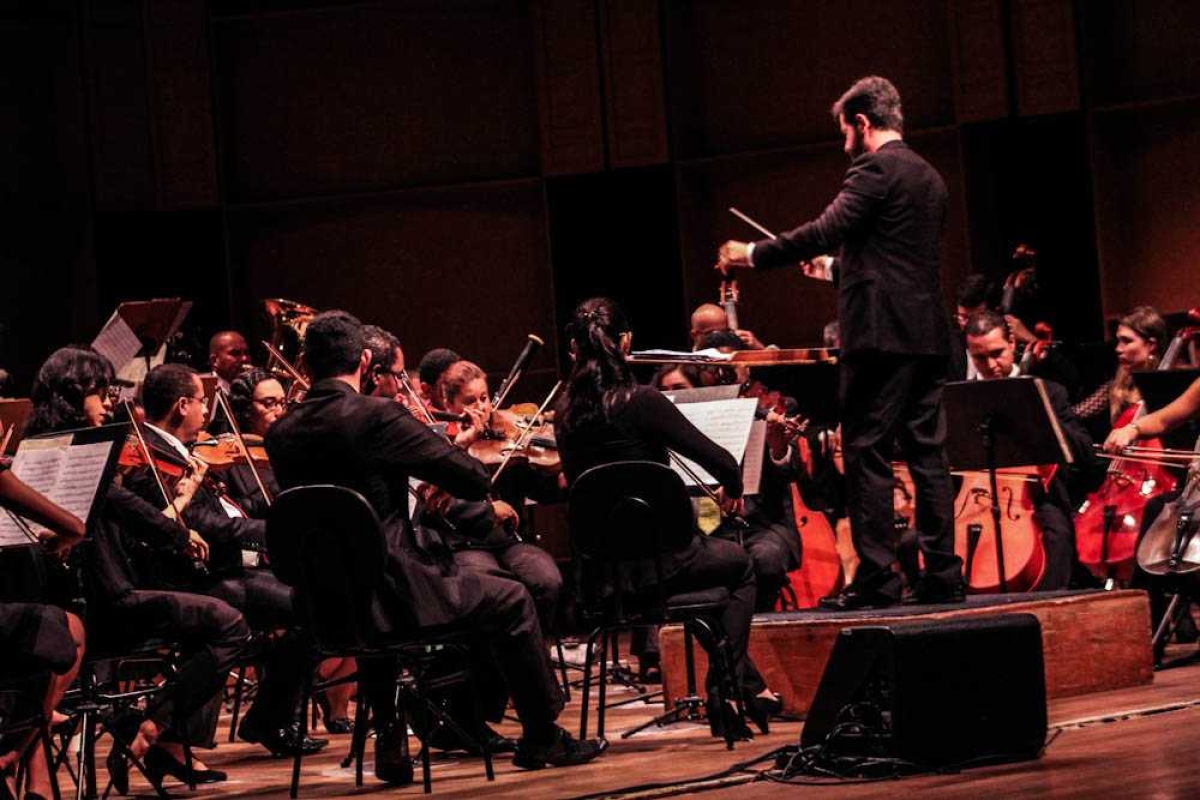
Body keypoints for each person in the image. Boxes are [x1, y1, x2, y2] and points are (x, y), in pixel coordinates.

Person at [266, 310, 604, 784]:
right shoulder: (378, 415)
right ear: (365, 360)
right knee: (511, 598)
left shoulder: (281, 433)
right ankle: (542, 736)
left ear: (307, 362)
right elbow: (469, 476)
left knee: (367, 577)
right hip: (393, 595)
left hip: (322, 604)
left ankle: (390, 737)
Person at [715, 75, 963, 608]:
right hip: (928, 334)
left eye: (844, 129)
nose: (843, 141)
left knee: (866, 450)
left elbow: (826, 227)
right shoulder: (930, 176)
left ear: (862, 122)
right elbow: (894, 261)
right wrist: (832, 270)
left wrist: (751, 254)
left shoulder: (873, 167)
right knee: (927, 454)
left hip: (881, 337)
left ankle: (877, 580)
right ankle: (942, 575)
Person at [24, 346, 252, 790]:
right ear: (75, 393)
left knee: (206, 618)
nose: (110, 401)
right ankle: (150, 728)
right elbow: (126, 507)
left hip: (74, 604)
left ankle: (144, 728)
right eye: (100, 391)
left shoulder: (36, 446)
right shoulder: (83, 449)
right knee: (230, 623)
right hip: (107, 604)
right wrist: (182, 534)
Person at [554, 297, 782, 736]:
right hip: (663, 568)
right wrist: (731, 491)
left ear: (573, 352)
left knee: (713, 590)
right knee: (739, 569)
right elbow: (725, 465)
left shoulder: (564, 413)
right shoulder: (642, 402)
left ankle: (744, 687)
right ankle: (725, 690)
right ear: (626, 343)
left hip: (601, 581)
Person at [126, 363, 325, 759]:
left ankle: (268, 712)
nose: (207, 411)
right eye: (202, 402)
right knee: (314, 608)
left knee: (313, 600)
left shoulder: (178, 450)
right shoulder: (147, 455)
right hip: (189, 577)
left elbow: (220, 513)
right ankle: (268, 715)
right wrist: (271, 532)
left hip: (220, 568)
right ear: (183, 405)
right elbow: (200, 522)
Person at [964, 310, 1097, 590]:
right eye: (979, 358)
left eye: (997, 353)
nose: (990, 365)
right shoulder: (961, 399)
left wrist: (1045, 421)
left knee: (1058, 537)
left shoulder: (1049, 392)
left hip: (1034, 500)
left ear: (1012, 342)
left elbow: (1086, 451)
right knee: (917, 544)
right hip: (974, 499)